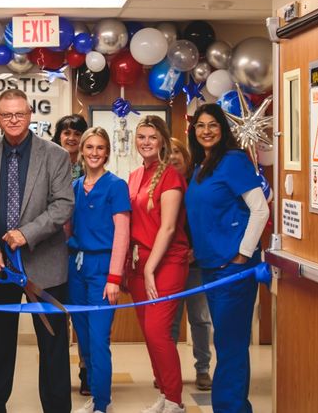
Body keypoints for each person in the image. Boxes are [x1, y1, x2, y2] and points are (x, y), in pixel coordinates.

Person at [0, 88, 74, 413]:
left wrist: (26, 234)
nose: (13, 120)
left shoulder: (55, 155)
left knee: (52, 346)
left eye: (20, 114)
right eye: (6, 114)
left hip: (46, 266)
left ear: (30, 115)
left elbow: (63, 205)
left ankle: (56, 408)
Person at [184, 103, 271, 413]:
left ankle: (232, 409)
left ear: (223, 129)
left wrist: (242, 255)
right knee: (224, 342)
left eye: (213, 125)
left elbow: (261, 209)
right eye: (200, 126)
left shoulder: (233, 161)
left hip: (232, 269)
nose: (206, 131)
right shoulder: (201, 165)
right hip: (211, 266)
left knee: (231, 347)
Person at [126, 116, 190, 413]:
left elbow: (167, 228)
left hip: (166, 263)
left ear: (163, 140)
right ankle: (164, 394)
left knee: (157, 332)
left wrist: (151, 267)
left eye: (152, 137)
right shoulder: (136, 174)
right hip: (140, 263)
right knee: (147, 332)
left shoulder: (170, 176)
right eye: (141, 137)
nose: (146, 142)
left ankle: (175, 400)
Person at [67, 127, 130, 413]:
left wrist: (114, 277)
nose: (94, 153)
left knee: (98, 337)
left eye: (100, 148)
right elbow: (67, 228)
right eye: (89, 147)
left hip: (103, 267)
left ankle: (102, 403)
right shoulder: (75, 186)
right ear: (81, 151)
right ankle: (94, 395)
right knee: (83, 336)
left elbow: (122, 234)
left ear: (107, 152)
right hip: (76, 267)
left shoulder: (116, 186)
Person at [166, 137, 214, 391]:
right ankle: (168, 371)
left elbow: (208, 222)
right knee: (170, 321)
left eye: (177, 151)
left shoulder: (198, 183)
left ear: (185, 155)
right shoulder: (162, 183)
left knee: (200, 318)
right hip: (171, 262)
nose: (173, 157)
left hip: (196, 263)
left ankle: (203, 370)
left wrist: (197, 250)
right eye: (168, 152)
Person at [51, 113, 90, 395]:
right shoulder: (49, 163)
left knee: (84, 316)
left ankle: (88, 370)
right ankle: (58, 375)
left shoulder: (93, 166)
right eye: (66, 132)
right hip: (53, 250)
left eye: (77, 132)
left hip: (84, 250)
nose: (71, 137)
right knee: (56, 316)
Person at [52, 114, 88, 181]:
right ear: (59, 137)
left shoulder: (90, 165)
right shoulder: (50, 164)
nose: (71, 138)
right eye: (67, 133)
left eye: (77, 134)